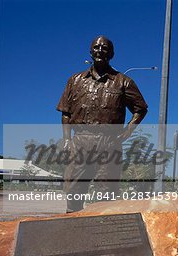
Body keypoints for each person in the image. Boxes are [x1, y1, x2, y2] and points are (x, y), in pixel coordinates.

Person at [57, 36, 148, 212]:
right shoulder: (75, 80)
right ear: (91, 51)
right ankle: (72, 226)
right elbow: (66, 112)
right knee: (74, 188)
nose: (100, 50)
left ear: (111, 54)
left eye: (105, 48)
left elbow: (141, 109)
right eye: (96, 47)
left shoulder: (124, 82)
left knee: (107, 191)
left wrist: (127, 132)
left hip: (109, 141)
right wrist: (67, 139)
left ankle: (104, 231)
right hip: (81, 140)